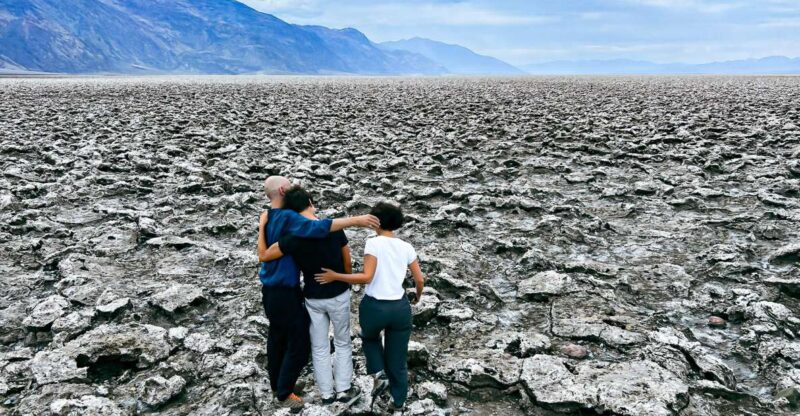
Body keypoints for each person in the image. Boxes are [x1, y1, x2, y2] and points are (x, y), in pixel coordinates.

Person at [257, 176, 379, 413]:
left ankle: (309, 391)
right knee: (311, 343)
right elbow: (320, 229)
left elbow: (264, 254)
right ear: (283, 190)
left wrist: (261, 228)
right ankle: (290, 392)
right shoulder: (295, 222)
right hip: (302, 292)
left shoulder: (272, 218)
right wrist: (356, 220)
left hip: (289, 293)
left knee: (284, 339)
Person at [315, 202, 425, 414]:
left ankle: (378, 373)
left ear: (376, 221)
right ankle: (398, 403)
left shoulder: (373, 243)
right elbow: (419, 280)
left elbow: (366, 277)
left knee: (370, 338)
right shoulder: (406, 247)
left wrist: (335, 276)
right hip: (400, 308)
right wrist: (417, 297)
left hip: (375, 306)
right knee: (398, 358)